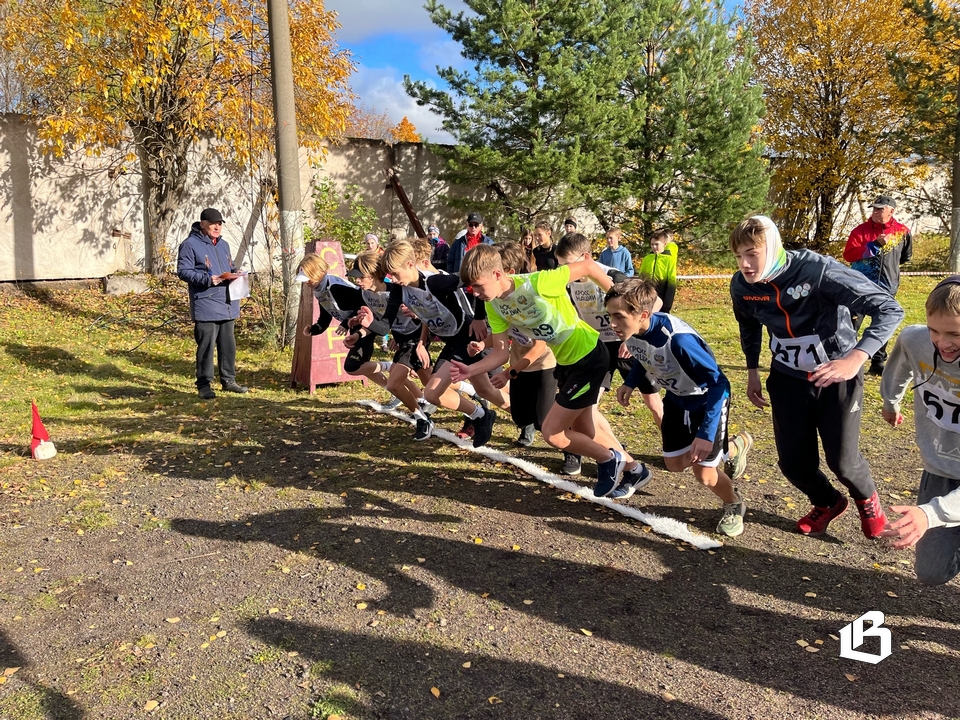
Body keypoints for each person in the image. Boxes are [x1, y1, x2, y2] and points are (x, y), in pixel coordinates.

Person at [729, 215, 904, 539]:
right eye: (738, 256)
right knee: (794, 463)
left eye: (752, 253)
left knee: (844, 462)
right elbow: (749, 324)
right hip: (787, 377)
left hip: (836, 376)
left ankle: (868, 500)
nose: (745, 264)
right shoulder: (742, 285)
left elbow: (889, 309)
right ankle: (828, 502)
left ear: (773, 247)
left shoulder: (816, 270)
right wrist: (752, 369)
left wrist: (856, 357)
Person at [456, 243, 650, 498]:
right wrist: (470, 371)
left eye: (479, 286)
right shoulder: (494, 306)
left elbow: (589, 266)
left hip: (589, 356)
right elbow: (500, 353)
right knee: (587, 431)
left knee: (552, 433)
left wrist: (621, 308)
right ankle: (634, 469)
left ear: (497, 274)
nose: (477, 293)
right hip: (567, 364)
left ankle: (607, 459)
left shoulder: (538, 283)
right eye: (472, 288)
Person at [606, 278, 748, 535]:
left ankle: (733, 503)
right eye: (609, 316)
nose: (612, 324)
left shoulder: (679, 341)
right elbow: (642, 353)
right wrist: (630, 382)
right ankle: (734, 446)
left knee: (704, 474)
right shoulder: (633, 332)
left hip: (707, 401)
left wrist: (706, 434)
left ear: (643, 315)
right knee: (674, 464)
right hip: (675, 399)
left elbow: (720, 384)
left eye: (618, 316)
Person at [358, 240, 505, 446]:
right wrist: (369, 323)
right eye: (390, 274)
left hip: (467, 336)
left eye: (396, 273)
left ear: (411, 265)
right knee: (438, 393)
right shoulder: (400, 291)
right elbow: (384, 327)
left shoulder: (435, 282)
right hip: (452, 343)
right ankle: (482, 415)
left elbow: (473, 281)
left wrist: (480, 316)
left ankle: (529, 419)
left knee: (487, 389)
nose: (393, 279)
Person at [555, 232, 664, 481]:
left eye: (568, 264)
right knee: (587, 407)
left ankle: (675, 446)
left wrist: (631, 337)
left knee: (653, 403)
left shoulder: (613, 276)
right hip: (596, 349)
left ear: (586, 258)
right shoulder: (567, 281)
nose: (565, 271)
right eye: (561, 266)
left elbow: (654, 304)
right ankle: (608, 452)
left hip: (625, 345)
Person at [879, 276, 960, 584]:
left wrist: (929, 513)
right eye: (934, 330)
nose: (942, 342)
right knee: (930, 572)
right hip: (940, 468)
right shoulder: (916, 339)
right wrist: (890, 399)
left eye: (954, 333)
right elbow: (902, 359)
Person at [294, 252, 401, 408]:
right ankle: (395, 390)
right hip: (356, 326)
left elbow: (360, 304)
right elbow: (326, 314)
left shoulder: (336, 286)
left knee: (353, 366)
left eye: (308, 278)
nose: (307, 283)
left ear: (317, 273)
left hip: (365, 323)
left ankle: (391, 369)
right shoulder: (319, 290)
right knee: (357, 366)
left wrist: (346, 323)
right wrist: (315, 329)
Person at [176, 207, 248, 399]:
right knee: (206, 346)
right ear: (203, 224)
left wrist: (236, 273)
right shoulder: (189, 245)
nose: (217, 227)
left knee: (228, 345)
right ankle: (204, 385)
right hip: (206, 303)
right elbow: (183, 271)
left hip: (227, 303)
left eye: (220, 223)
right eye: (213, 223)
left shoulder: (223, 245)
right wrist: (209, 279)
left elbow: (229, 266)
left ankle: (229, 381)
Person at [843, 195, 913, 375]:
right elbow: (849, 255)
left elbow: (905, 256)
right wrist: (874, 245)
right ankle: (846, 358)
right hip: (859, 286)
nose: (875, 212)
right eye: (874, 208)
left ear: (891, 211)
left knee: (881, 324)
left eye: (880, 209)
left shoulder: (902, 232)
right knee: (851, 324)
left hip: (887, 286)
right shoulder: (860, 231)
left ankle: (877, 362)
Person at [639, 230, 679, 313]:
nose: (654, 247)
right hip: (647, 299)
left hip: (662, 299)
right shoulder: (647, 259)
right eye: (652, 244)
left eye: (656, 244)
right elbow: (641, 279)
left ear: (664, 244)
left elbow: (671, 283)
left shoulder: (669, 260)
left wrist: (667, 305)